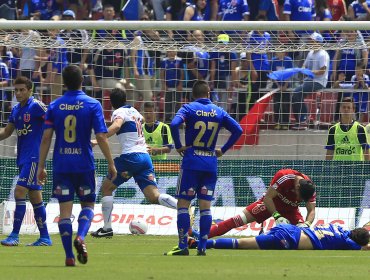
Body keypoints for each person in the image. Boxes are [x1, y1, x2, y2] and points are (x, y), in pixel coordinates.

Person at [37, 65, 117, 266]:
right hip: (84, 165)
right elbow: (101, 136)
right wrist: (110, 162)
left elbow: (46, 137)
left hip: (61, 165)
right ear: (83, 80)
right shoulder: (92, 104)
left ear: (63, 82)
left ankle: (69, 257)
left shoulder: (54, 106)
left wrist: (40, 166)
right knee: (88, 205)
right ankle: (81, 236)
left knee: (64, 212)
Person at [165, 80, 242, 256]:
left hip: (192, 160)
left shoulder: (188, 108)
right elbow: (238, 130)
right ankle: (202, 246)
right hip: (210, 162)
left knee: (183, 204)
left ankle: (183, 246)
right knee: (205, 206)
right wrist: (222, 149)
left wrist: (178, 146)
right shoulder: (219, 111)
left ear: (193, 95)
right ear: (208, 94)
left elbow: (174, 124)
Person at [91, 88, 178, 238]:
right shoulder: (134, 111)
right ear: (125, 99)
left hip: (130, 157)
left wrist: (99, 137)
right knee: (153, 196)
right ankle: (183, 207)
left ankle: (107, 228)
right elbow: (142, 120)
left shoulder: (118, 112)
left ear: (111, 103)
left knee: (106, 188)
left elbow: (117, 125)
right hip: (145, 157)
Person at [0, 76, 51, 247]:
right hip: (22, 158)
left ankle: (14, 235)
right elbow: (7, 132)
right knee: (35, 196)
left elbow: (52, 117)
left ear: (30, 90)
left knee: (20, 191)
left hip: (34, 157)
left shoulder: (36, 106)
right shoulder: (15, 110)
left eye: (22, 90)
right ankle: (45, 238)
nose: (19, 93)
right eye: (16, 90)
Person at [197, 168, 316, 240]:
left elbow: (311, 211)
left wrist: (307, 223)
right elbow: (268, 198)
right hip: (270, 204)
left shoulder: (310, 188)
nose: (298, 199)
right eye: (298, 196)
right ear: (297, 187)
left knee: (303, 234)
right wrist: (276, 216)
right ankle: (200, 237)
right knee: (237, 220)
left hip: (291, 210)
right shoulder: (284, 176)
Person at [189, 223, 370, 251]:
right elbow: (365, 248)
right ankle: (200, 243)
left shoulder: (338, 228)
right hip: (288, 239)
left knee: (246, 241)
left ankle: (199, 240)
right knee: (243, 243)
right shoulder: (347, 243)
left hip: (289, 228)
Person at [291, 32, 330, 130]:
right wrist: (303, 70)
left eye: (312, 41)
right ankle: (300, 120)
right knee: (294, 93)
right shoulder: (311, 52)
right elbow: (305, 65)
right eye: (310, 41)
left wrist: (309, 72)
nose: (310, 43)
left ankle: (303, 119)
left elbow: (322, 71)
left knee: (296, 93)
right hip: (309, 80)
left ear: (318, 42)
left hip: (319, 82)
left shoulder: (323, 54)